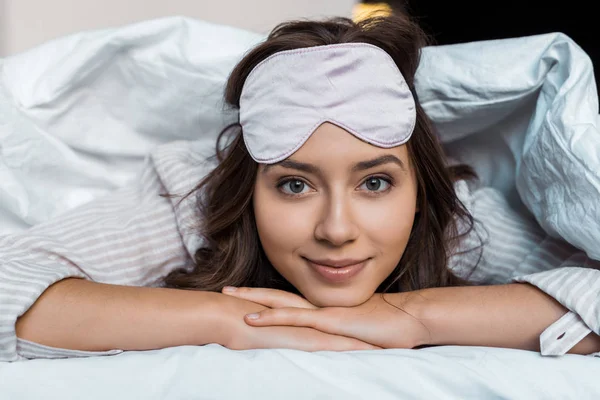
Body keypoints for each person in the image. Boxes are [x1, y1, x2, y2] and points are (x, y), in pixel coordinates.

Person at [1, 13, 599, 363]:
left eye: (374, 182)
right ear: (247, 189)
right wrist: (231, 322)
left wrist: (411, 315)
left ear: (420, 186)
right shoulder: (191, 201)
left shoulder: (451, 223)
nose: (337, 230)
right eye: (293, 185)